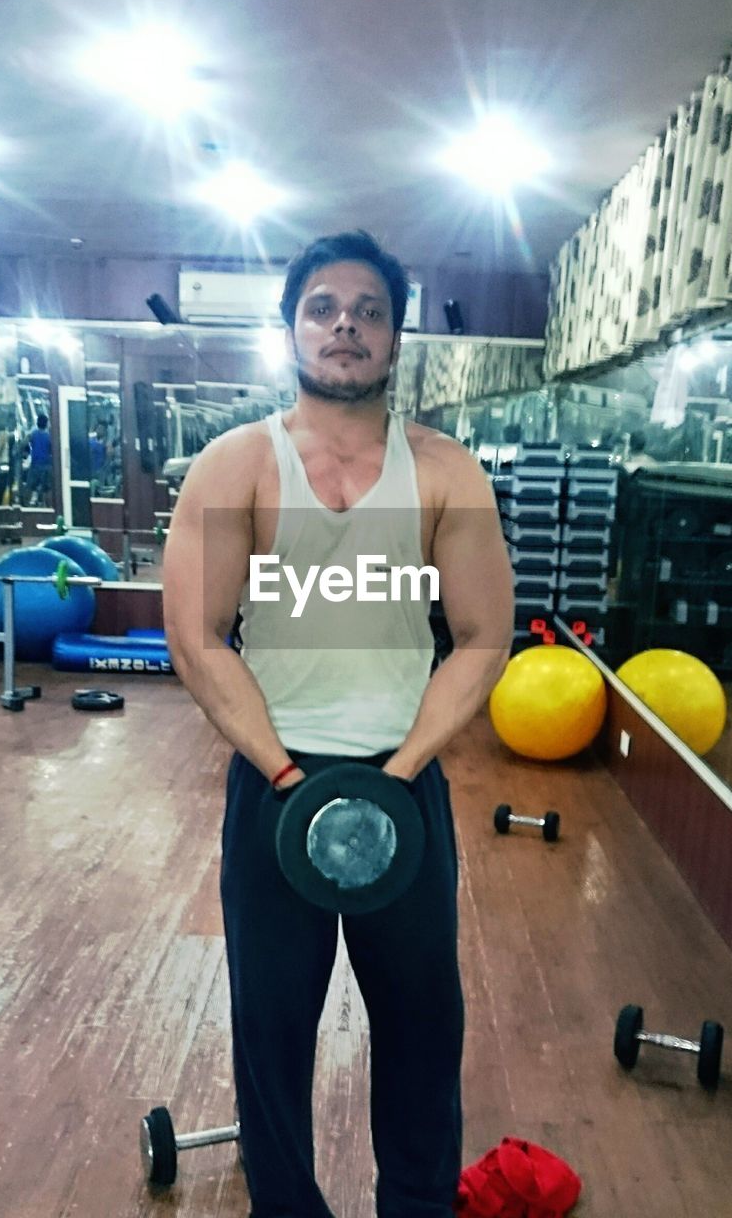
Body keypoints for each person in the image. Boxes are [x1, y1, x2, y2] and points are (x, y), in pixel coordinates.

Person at [162, 230, 514, 1218]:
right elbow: (197, 637)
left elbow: (482, 638)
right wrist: (283, 774)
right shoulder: (236, 464)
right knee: (270, 1022)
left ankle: (416, 1204)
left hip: (402, 781)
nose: (345, 324)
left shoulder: (446, 471)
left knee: (420, 1019)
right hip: (274, 782)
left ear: (396, 337)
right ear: (290, 329)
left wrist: (400, 769)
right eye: (322, 306)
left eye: (367, 309)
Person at [26, 412, 52, 507]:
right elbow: (52, 450)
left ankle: (28, 508)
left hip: (35, 465)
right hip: (46, 465)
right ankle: (48, 508)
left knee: (30, 487)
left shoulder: (33, 434)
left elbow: (23, 444)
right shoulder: (49, 436)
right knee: (47, 489)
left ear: (37, 423)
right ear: (46, 424)